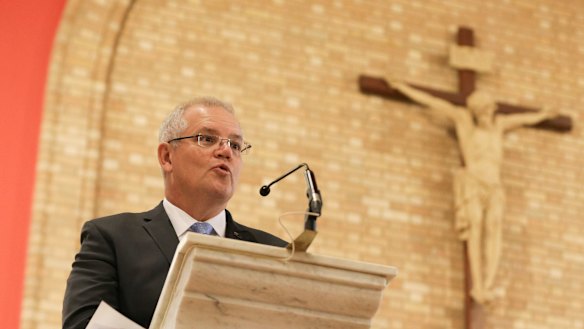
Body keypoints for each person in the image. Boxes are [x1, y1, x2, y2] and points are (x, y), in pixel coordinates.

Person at [62, 97, 287, 329]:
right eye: (207, 139)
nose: (226, 151)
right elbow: (83, 325)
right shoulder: (112, 238)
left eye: (236, 145)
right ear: (167, 157)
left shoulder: (274, 254)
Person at [389, 81, 558, 304]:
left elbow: (525, 119)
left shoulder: (499, 126)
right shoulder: (464, 123)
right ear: (476, 112)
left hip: (494, 186)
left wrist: (544, 114)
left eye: (489, 110)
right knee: (476, 226)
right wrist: (402, 87)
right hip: (474, 183)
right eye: (482, 111)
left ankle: (488, 284)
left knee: (494, 227)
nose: (487, 114)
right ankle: (477, 285)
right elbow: (433, 102)